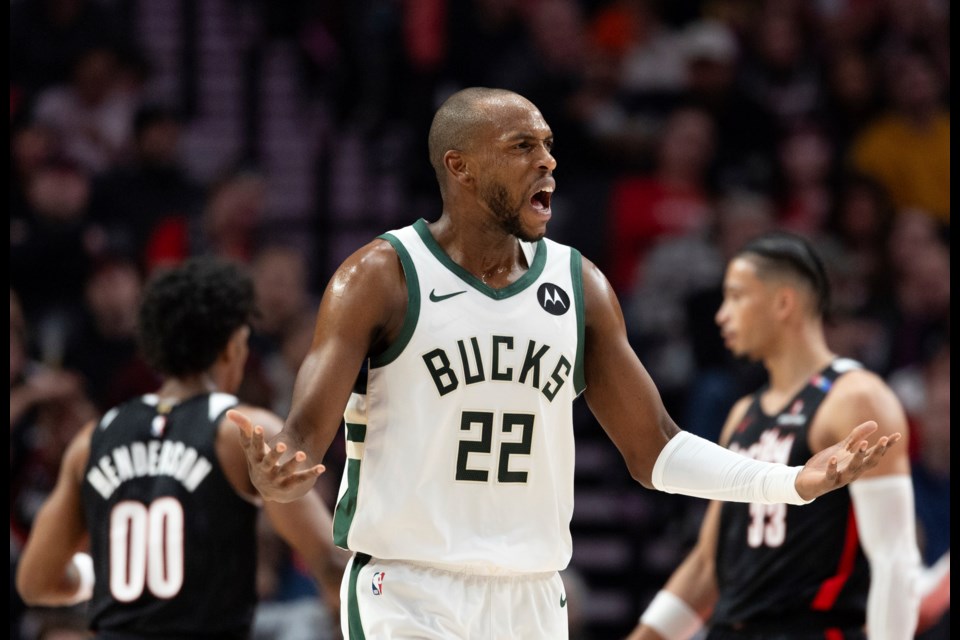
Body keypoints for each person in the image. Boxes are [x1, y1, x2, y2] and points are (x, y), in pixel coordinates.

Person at [230, 87, 899, 639]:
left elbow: (656, 448)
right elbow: (300, 442)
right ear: (459, 167)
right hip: (408, 589)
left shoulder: (580, 286)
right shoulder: (380, 277)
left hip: (534, 597)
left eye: (549, 146)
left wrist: (792, 482)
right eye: (524, 147)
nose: (548, 163)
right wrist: (280, 476)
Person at [15, 257, 346, 638]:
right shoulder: (239, 429)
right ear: (232, 346)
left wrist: (103, 574)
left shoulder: (93, 439)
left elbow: (36, 581)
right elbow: (332, 566)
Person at [626, 232, 920, 640]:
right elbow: (708, 564)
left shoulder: (858, 398)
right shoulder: (742, 414)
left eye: (736, 296)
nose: (721, 315)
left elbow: (895, 558)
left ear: (783, 302)